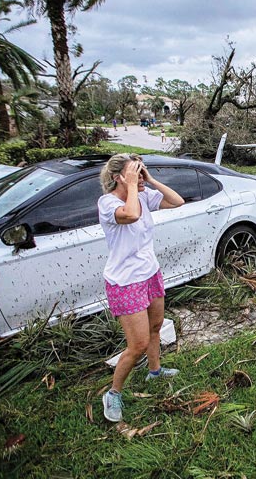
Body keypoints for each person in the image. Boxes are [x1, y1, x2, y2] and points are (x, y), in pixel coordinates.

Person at [98, 153, 185, 422]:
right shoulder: (107, 203)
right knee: (137, 344)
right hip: (125, 282)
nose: (139, 174)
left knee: (156, 327)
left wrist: (150, 180)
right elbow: (132, 215)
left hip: (150, 273)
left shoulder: (144, 195)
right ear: (118, 177)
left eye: (140, 169)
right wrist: (134, 186)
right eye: (134, 171)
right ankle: (113, 394)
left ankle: (155, 370)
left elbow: (177, 201)